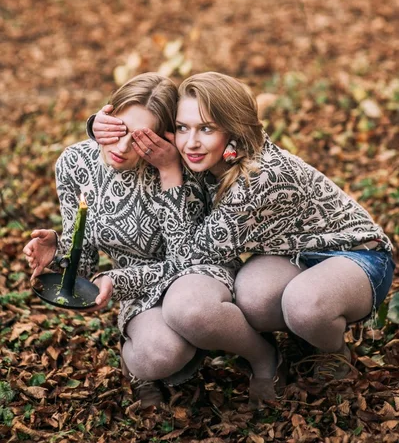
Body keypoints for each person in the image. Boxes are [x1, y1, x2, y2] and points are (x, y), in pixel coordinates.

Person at [92, 71, 394, 404]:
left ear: (233, 129)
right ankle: (299, 338)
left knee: (305, 306)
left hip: (357, 256)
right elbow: (144, 124)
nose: (190, 142)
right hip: (291, 256)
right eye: (182, 127)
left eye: (206, 128)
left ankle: (332, 351)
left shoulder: (258, 178)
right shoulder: (216, 153)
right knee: (251, 299)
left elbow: (191, 258)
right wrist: (100, 125)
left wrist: (169, 172)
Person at [23, 73, 280, 409]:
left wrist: (170, 172)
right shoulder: (75, 163)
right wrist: (57, 248)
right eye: (119, 131)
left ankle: (263, 356)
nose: (123, 147)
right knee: (160, 354)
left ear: (165, 138)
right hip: (136, 286)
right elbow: (83, 261)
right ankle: (146, 359)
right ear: (107, 118)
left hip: (200, 274)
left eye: (142, 139)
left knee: (194, 311)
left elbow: (185, 258)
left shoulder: (187, 162)